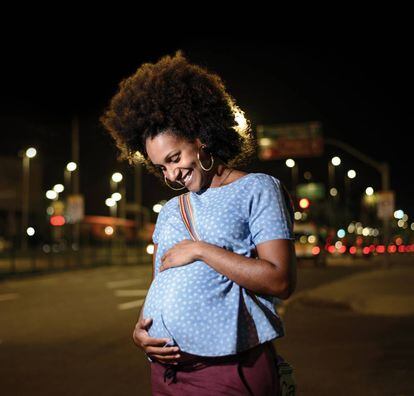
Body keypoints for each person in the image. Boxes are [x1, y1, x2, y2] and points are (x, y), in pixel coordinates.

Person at [101, 51, 296, 395]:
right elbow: (159, 286)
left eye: (174, 158)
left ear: (199, 137)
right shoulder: (171, 210)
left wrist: (200, 250)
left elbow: (280, 280)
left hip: (227, 371)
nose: (171, 174)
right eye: (161, 167)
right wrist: (140, 331)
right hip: (166, 373)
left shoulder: (257, 188)